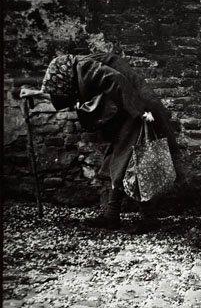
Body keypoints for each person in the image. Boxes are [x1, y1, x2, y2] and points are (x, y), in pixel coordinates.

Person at [19, 52, 182, 233]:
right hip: (129, 110)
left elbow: (117, 80)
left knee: (135, 162)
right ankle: (112, 215)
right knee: (118, 161)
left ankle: (147, 218)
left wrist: (140, 111)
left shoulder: (85, 68)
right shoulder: (76, 71)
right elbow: (67, 95)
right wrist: (37, 94)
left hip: (139, 109)